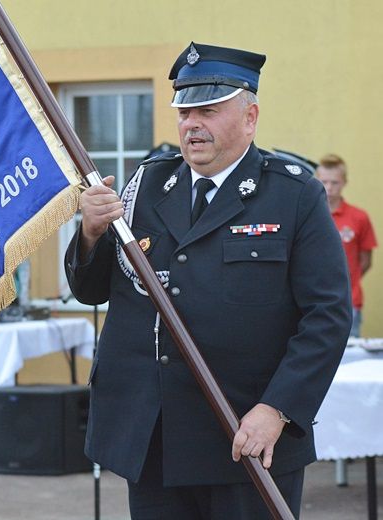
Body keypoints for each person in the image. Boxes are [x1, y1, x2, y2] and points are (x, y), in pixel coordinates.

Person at [65, 42, 352, 519]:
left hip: (243, 435)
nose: (191, 124)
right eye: (184, 112)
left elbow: (328, 316)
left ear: (250, 117)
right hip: (154, 436)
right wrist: (91, 233)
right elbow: (93, 291)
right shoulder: (147, 185)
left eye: (208, 111)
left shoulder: (293, 193)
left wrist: (278, 409)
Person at [315, 154, 377, 337]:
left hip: (349, 302)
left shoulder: (359, 217)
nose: (329, 188)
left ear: (344, 183)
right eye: (324, 182)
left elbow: (365, 261)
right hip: (312, 300)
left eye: (335, 182)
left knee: (350, 352)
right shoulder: (308, 216)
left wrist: (346, 281)